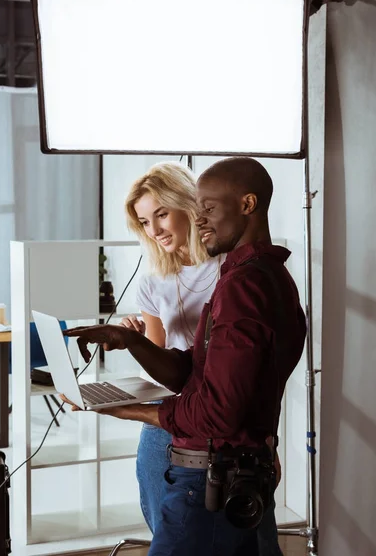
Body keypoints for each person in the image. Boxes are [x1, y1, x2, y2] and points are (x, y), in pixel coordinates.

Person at [62, 157, 306, 556]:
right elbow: (198, 371)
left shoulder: (241, 283)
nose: (200, 218)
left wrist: (125, 411)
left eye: (205, 208)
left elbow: (219, 410)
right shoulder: (255, 274)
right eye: (144, 221)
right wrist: (131, 341)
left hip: (210, 463)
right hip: (210, 452)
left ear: (246, 204)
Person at [121, 161, 223, 534]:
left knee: (225, 527)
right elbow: (157, 360)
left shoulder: (228, 267)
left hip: (218, 411)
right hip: (171, 409)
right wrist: (133, 343)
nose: (155, 230)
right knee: (159, 515)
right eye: (145, 222)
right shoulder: (153, 282)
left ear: (187, 203)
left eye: (161, 214)